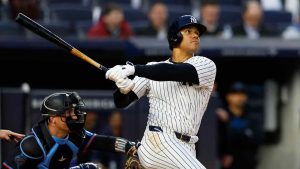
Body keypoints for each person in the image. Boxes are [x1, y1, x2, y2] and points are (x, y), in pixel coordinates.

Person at [106, 15, 217, 168]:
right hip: (159, 139)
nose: (195, 35)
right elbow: (120, 102)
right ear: (175, 37)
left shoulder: (205, 65)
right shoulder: (151, 68)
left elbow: (173, 72)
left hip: (187, 147)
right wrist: (122, 88)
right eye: (188, 31)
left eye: (197, 32)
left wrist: (133, 69)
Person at [2, 92, 139, 169]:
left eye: (74, 111)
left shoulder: (75, 135)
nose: (74, 116)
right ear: (52, 118)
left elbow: (103, 142)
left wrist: (131, 147)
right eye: (68, 112)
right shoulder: (32, 145)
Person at [218, 82, 263, 169]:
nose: (239, 97)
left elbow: (258, 139)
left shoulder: (252, 116)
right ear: (228, 97)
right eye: (235, 94)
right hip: (226, 164)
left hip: (247, 162)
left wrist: (233, 133)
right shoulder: (221, 115)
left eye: (242, 94)